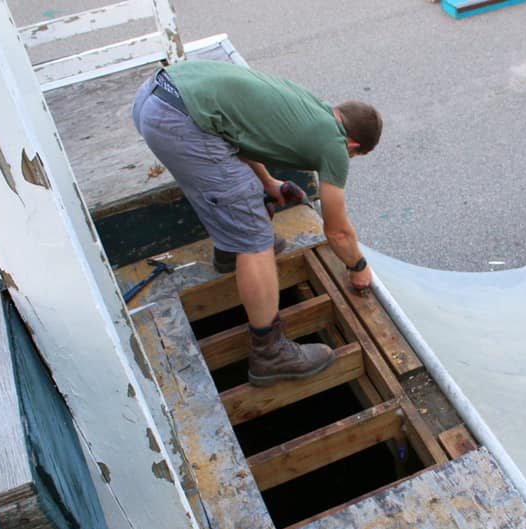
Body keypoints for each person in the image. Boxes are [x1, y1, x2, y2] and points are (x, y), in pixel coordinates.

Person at [132, 60, 381, 387]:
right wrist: (358, 265)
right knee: (257, 239)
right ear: (353, 146)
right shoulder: (334, 144)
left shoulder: (310, 106)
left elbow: (234, 135)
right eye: (352, 157)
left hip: (155, 97)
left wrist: (268, 183)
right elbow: (337, 231)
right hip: (181, 120)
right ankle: (269, 352)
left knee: (231, 188)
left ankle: (229, 251)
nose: (345, 160)